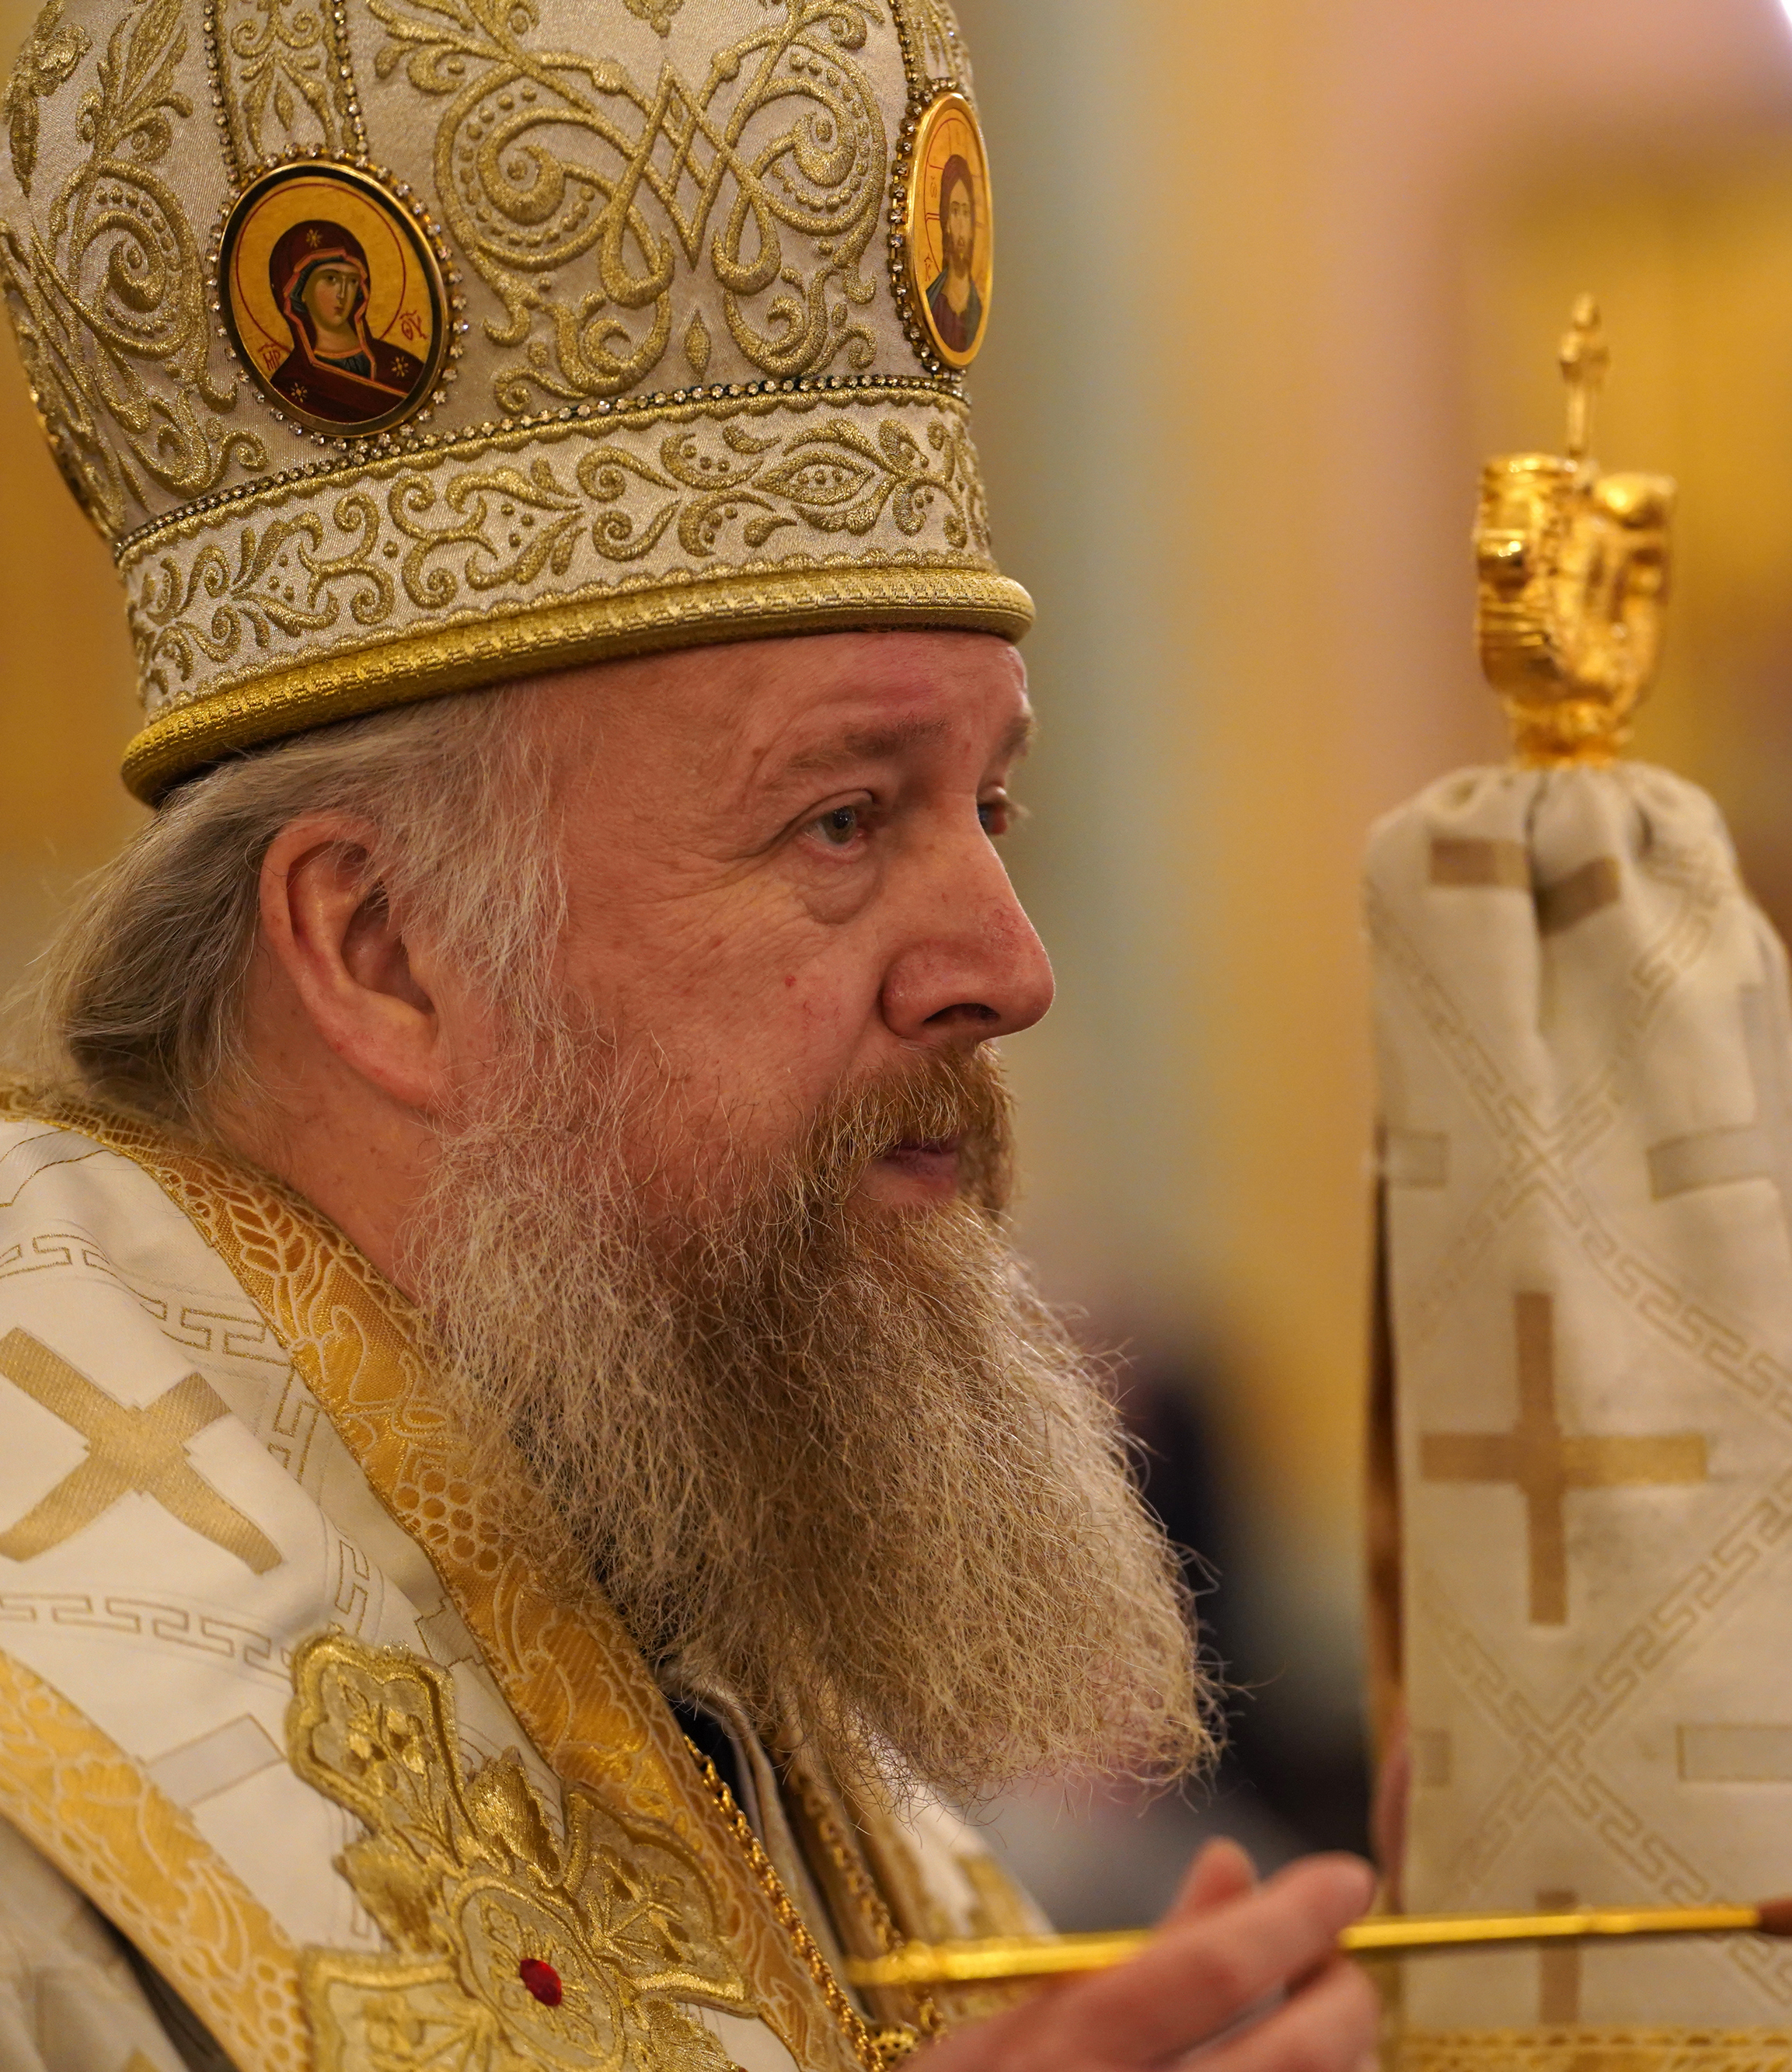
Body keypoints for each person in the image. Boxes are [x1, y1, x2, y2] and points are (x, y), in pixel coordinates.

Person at [0, 2, 1380, 2070]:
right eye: (844, 817)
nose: (1007, 964)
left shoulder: (666, 1558)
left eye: (987, 805)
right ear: (378, 947)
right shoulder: (58, 1738)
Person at [264, 218, 428, 426]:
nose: (343, 293)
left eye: (351, 281)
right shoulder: (292, 383)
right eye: (330, 279)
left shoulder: (401, 368)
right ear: (299, 291)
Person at [926, 155, 985, 357]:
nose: (961, 224)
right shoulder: (932, 302)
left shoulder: (977, 306)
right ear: (946, 223)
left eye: (966, 213)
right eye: (955, 211)